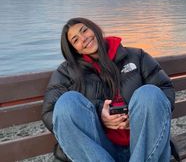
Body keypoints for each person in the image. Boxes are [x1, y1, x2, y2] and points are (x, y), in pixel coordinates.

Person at [42, 17, 176, 162]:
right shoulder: (66, 72)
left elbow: (165, 90)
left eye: (84, 30)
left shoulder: (137, 56)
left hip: (144, 147)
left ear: (94, 28)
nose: (84, 38)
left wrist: (139, 116)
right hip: (98, 152)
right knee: (66, 103)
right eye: (75, 40)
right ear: (74, 49)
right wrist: (99, 116)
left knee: (150, 93)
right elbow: (51, 113)